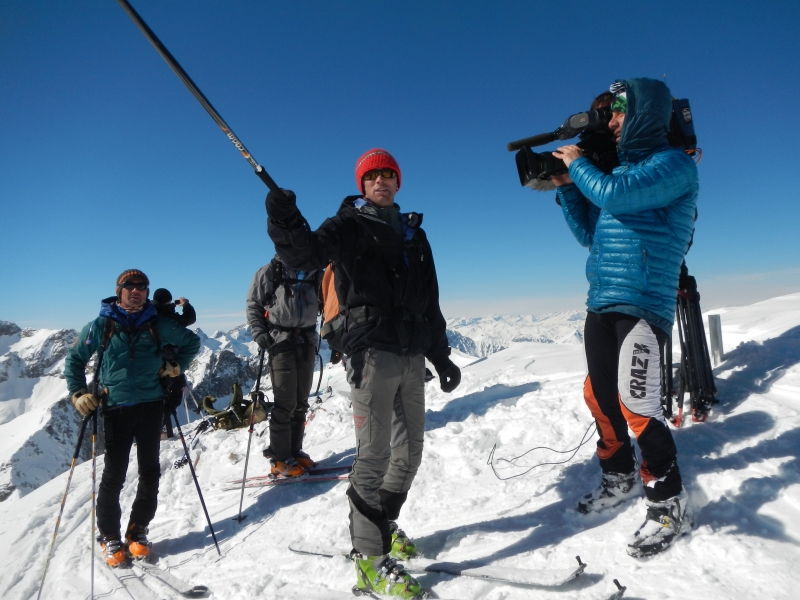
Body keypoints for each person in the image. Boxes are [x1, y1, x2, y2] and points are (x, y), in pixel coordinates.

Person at [265, 148, 461, 598]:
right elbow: (305, 254)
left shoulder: (414, 233)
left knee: (409, 453)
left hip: (412, 355)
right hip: (371, 355)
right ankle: (370, 562)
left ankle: (381, 524)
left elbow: (429, 301)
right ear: (362, 184)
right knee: (373, 457)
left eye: (388, 174)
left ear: (398, 182)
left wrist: (442, 356)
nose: (381, 181)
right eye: (372, 176)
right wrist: (284, 219)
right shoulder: (348, 225)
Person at [551, 78, 698, 558]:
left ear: (644, 115)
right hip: (603, 302)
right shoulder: (622, 174)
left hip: (642, 303)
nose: (611, 123)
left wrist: (580, 164)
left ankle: (668, 500)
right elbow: (592, 236)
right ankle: (618, 477)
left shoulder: (671, 166)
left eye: (618, 113)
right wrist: (570, 189)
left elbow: (612, 195)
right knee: (600, 396)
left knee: (639, 403)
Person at [64, 269, 201, 567]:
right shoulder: (100, 325)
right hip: (116, 408)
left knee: (150, 471)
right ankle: (110, 536)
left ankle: (138, 530)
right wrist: (78, 394)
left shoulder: (157, 323)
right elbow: (74, 360)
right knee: (114, 476)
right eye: (130, 286)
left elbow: (191, 342)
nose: (136, 291)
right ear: (119, 290)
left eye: (142, 287)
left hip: (151, 405)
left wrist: (177, 366)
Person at [246, 256, 321, 477]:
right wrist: (259, 332)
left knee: (300, 401)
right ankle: (279, 458)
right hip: (280, 340)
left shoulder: (316, 272)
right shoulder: (270, 272)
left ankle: (294, 452)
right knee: (285, 402)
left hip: (307, 340)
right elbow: (254, 303)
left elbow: (330, 302)